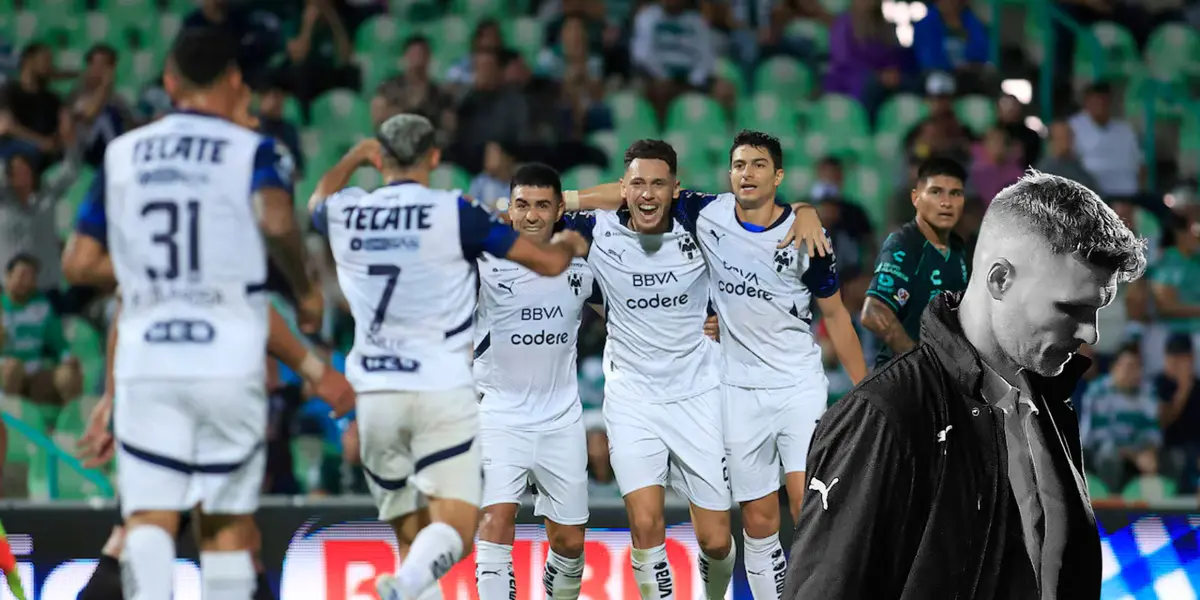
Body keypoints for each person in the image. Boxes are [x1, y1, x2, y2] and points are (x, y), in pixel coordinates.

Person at [783, 171, 1146, 599]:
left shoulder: (1049, 400)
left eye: (1098, 309)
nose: (1091, 334)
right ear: (999, 280)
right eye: (1071, 308)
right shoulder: (885, 414)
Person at [69, 27, 322, 599]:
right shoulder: (252, 148)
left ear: (169, 82)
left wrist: (155, 273)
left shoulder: (122, 153)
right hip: (225, 361)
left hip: (148, 363)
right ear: (234, 80)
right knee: (230, 526)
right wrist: (306, 290)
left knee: (146, 523)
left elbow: (80, 262)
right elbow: (280, 220)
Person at [565, 133, 863, 600]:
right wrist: (568, 198)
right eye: (740, 165)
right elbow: (630, 190)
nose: (748, 173)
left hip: (791, 386)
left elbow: (838, 316)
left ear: (778, 175)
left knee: (805, 507)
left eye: (759, 165)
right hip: (732, 390)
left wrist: (806, 208)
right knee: (758, 523)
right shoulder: (707, 213)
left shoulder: (806, 235)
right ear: (729, 174)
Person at [308, 113, 589, 600]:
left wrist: (354, 157)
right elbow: (545, 262)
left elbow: (316, 202)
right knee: (458, 529)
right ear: (434, 157)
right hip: (442, 392)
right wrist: (565, 244)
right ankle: (406, 584)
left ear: (381, 159)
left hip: (373, 395)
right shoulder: (455, 213)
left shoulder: (349, 211)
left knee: (411, 537)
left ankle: (407, 583)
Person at [75, 297, 355, 600]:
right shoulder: (228, 256)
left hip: (155, 398)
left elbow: (120, 301)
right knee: (231, 541)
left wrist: (113, 397)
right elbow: (256, 306)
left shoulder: (140, 256)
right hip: (215, 397)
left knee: (135, 537)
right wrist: (316, 370)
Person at [471, 163, 595, 600]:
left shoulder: (582, 263)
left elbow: (627, 312)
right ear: (510, 208)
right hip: (499, 413)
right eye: (521, 205)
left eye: (543, 206)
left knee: (570, 544)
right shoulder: (484, 261)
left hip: (561, 419)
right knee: (495, 520)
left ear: (560, 208)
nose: (531, 215)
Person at [862, 156, 970, 367]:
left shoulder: (958, 250)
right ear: (916, 198)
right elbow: (874, 312)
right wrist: (922, 364)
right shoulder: (905, 244)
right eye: (936, 192)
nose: (946, 202)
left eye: (955, 193)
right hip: (903, 383)